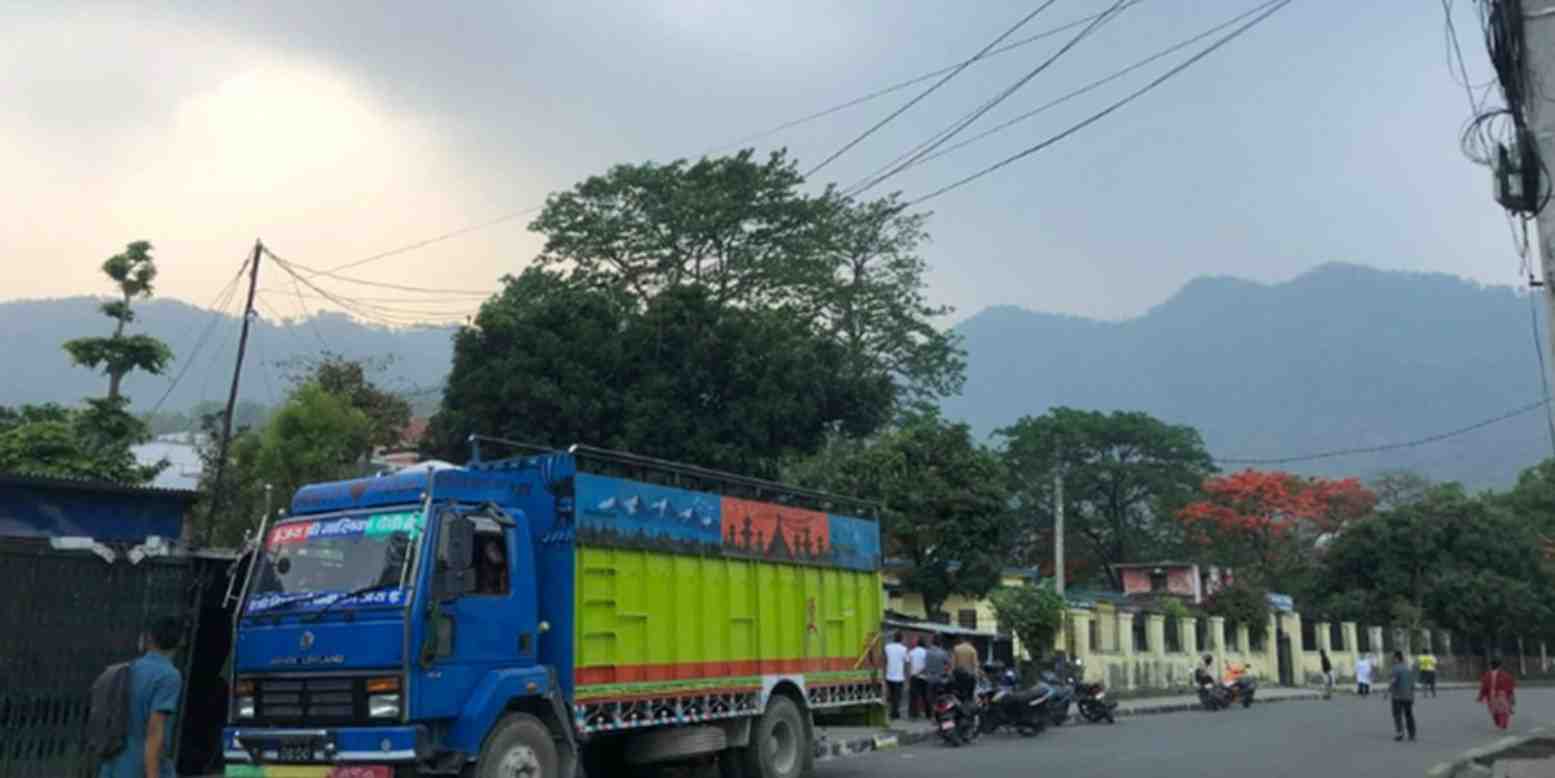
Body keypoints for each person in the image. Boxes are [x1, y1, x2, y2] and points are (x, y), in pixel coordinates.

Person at [100, 617, 184, 778]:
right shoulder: (169, 676)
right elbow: (155, 730)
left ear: (149, 639)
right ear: (181, 641)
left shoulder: (129, 668)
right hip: (142, 766)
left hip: (113, 763)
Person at [1478, 658, 1517, 730]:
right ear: (1500, 666)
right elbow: (1511, 687)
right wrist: (1512, 699)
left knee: (1495, 712)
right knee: (1504, 712)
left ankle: (1499, 724)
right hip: (1502, 696)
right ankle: (1503, 725)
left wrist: (1480, 697)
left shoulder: (1486, 675)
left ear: (1491, 666)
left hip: (1491, 696)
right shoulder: (1506, 675)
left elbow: (1484, 688)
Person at [1389, 650, 1417, 742]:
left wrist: (1388, 691)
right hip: (1408, 696)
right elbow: (1413, 684)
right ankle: (1412, 734)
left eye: (1393, 658)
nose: (1392, 659)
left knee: (1397, 715)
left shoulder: (1395, 668)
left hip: (1397, 696)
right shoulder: (1408, 668)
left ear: (1396, 658)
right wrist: (1412, 695)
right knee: (1409, 715)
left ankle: (1400, 733)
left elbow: (1393, 681)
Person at [883, 632, 908, 720]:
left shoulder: (887, 647)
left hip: (889, 675)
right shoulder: (904, 649)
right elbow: (906, 661)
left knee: (891, 695)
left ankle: (893, 712)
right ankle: (895, 713)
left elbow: (885, 660)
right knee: (897, 696)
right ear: (901, 639)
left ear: (894, 638)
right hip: (899, 677)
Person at [950, 637, 980, 702]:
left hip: (958, 676)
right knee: (970, 695)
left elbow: (953, 663)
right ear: (971, 641)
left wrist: (951, 674)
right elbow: (975, 665)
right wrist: (976, 676)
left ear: (962, 640)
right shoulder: (972, 650)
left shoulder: (956, 649)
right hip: (969, 677)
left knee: (957, 693)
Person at [907, 638, 929, 719]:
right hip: (924, 677)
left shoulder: (911, 652)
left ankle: (913, 714)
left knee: (914, 696)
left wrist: (910, 675)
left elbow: (909, 664)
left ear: (917, 644)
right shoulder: (927, 652)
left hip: (914, 677)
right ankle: (928, 713)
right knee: (925, 696)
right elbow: (927, 665)